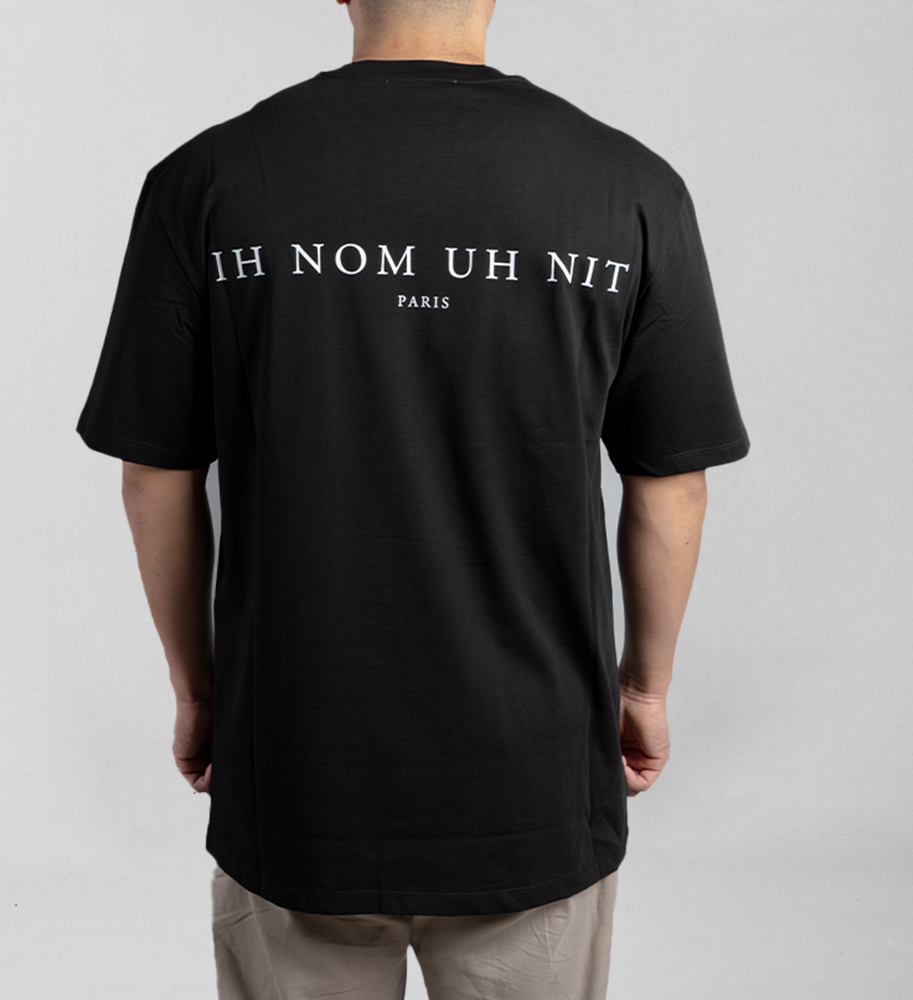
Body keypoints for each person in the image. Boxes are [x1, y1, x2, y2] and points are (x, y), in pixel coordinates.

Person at [77, 0, 750, 996]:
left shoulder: (207, 180)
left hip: (294, 761)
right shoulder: (627, 185)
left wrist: (204, 693)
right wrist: (642, 692)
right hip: (530, 774)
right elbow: (671, 483)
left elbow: (155, 475)